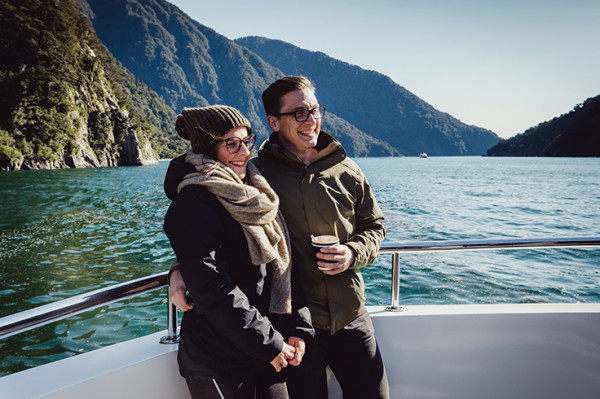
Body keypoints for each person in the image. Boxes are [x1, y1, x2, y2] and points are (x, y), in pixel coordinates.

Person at [170, 77, 389, 398]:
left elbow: (375, 226)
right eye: (299, 113)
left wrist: (354, 252)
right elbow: (205, 245)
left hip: (349, 316)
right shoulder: (255, 175)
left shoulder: (346, 170)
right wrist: (178, 269)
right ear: (274, 122)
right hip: (290, 327)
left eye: (315, 110)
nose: (311, 119)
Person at [163, 105, 314, 399]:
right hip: (219, 359)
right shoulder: (194, 202)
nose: (243, 151)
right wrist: (268, 344)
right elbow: (213, 287)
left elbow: (281, 265)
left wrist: (299, 326)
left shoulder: (257, 193)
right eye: (231, 143)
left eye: (247, 141)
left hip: (265, 348)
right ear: (209, 148)